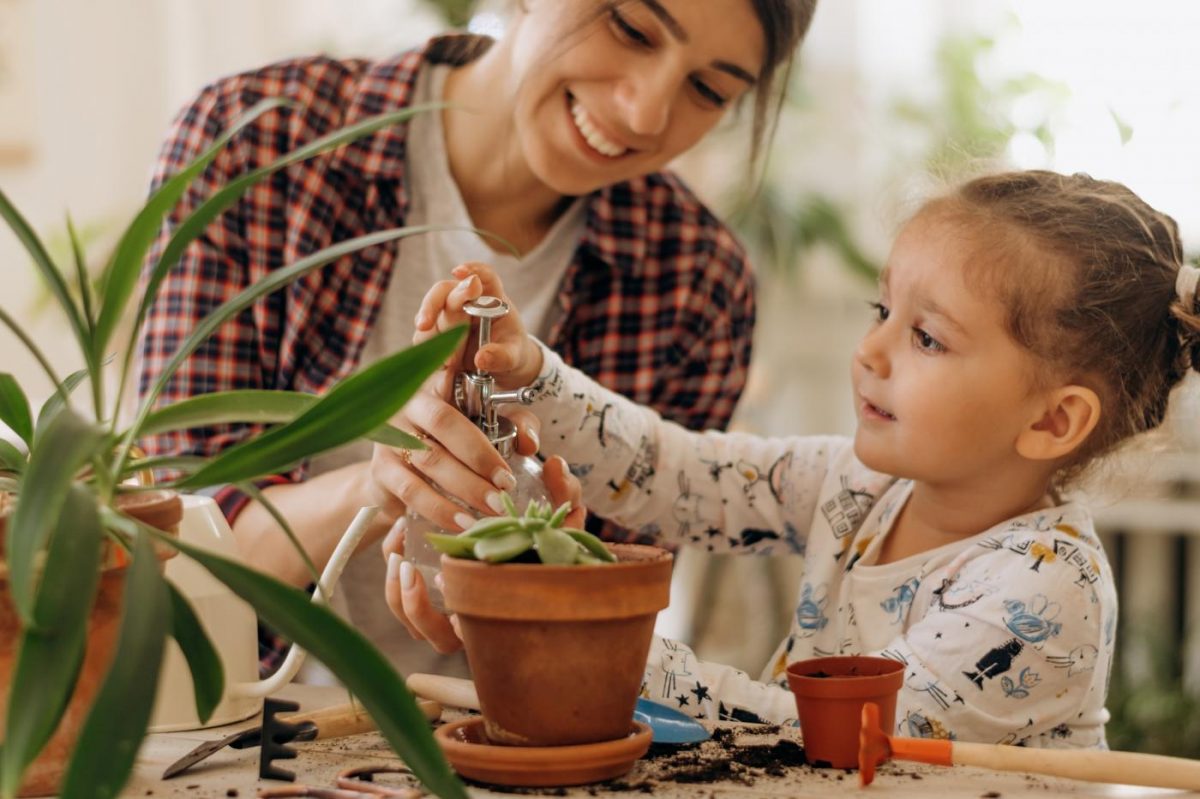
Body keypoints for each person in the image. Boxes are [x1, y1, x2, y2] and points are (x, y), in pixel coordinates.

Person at [395, 170, 1200, 747]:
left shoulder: (1046, 585)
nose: (871, 350)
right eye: (882, 310)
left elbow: (825, 736)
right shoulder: (861, 485)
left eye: (926, 336)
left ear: (1053, 419)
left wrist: (572, 635)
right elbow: (672, 476)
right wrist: (536, 373)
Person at [134, 0, 819, 675]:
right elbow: (178, 541)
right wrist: (382, 485)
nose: (645, 113)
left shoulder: (698, 282)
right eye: (632, 28)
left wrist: (526, 591)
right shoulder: (258, 146)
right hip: (239, 740)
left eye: (707, 89)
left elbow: (599, 617)